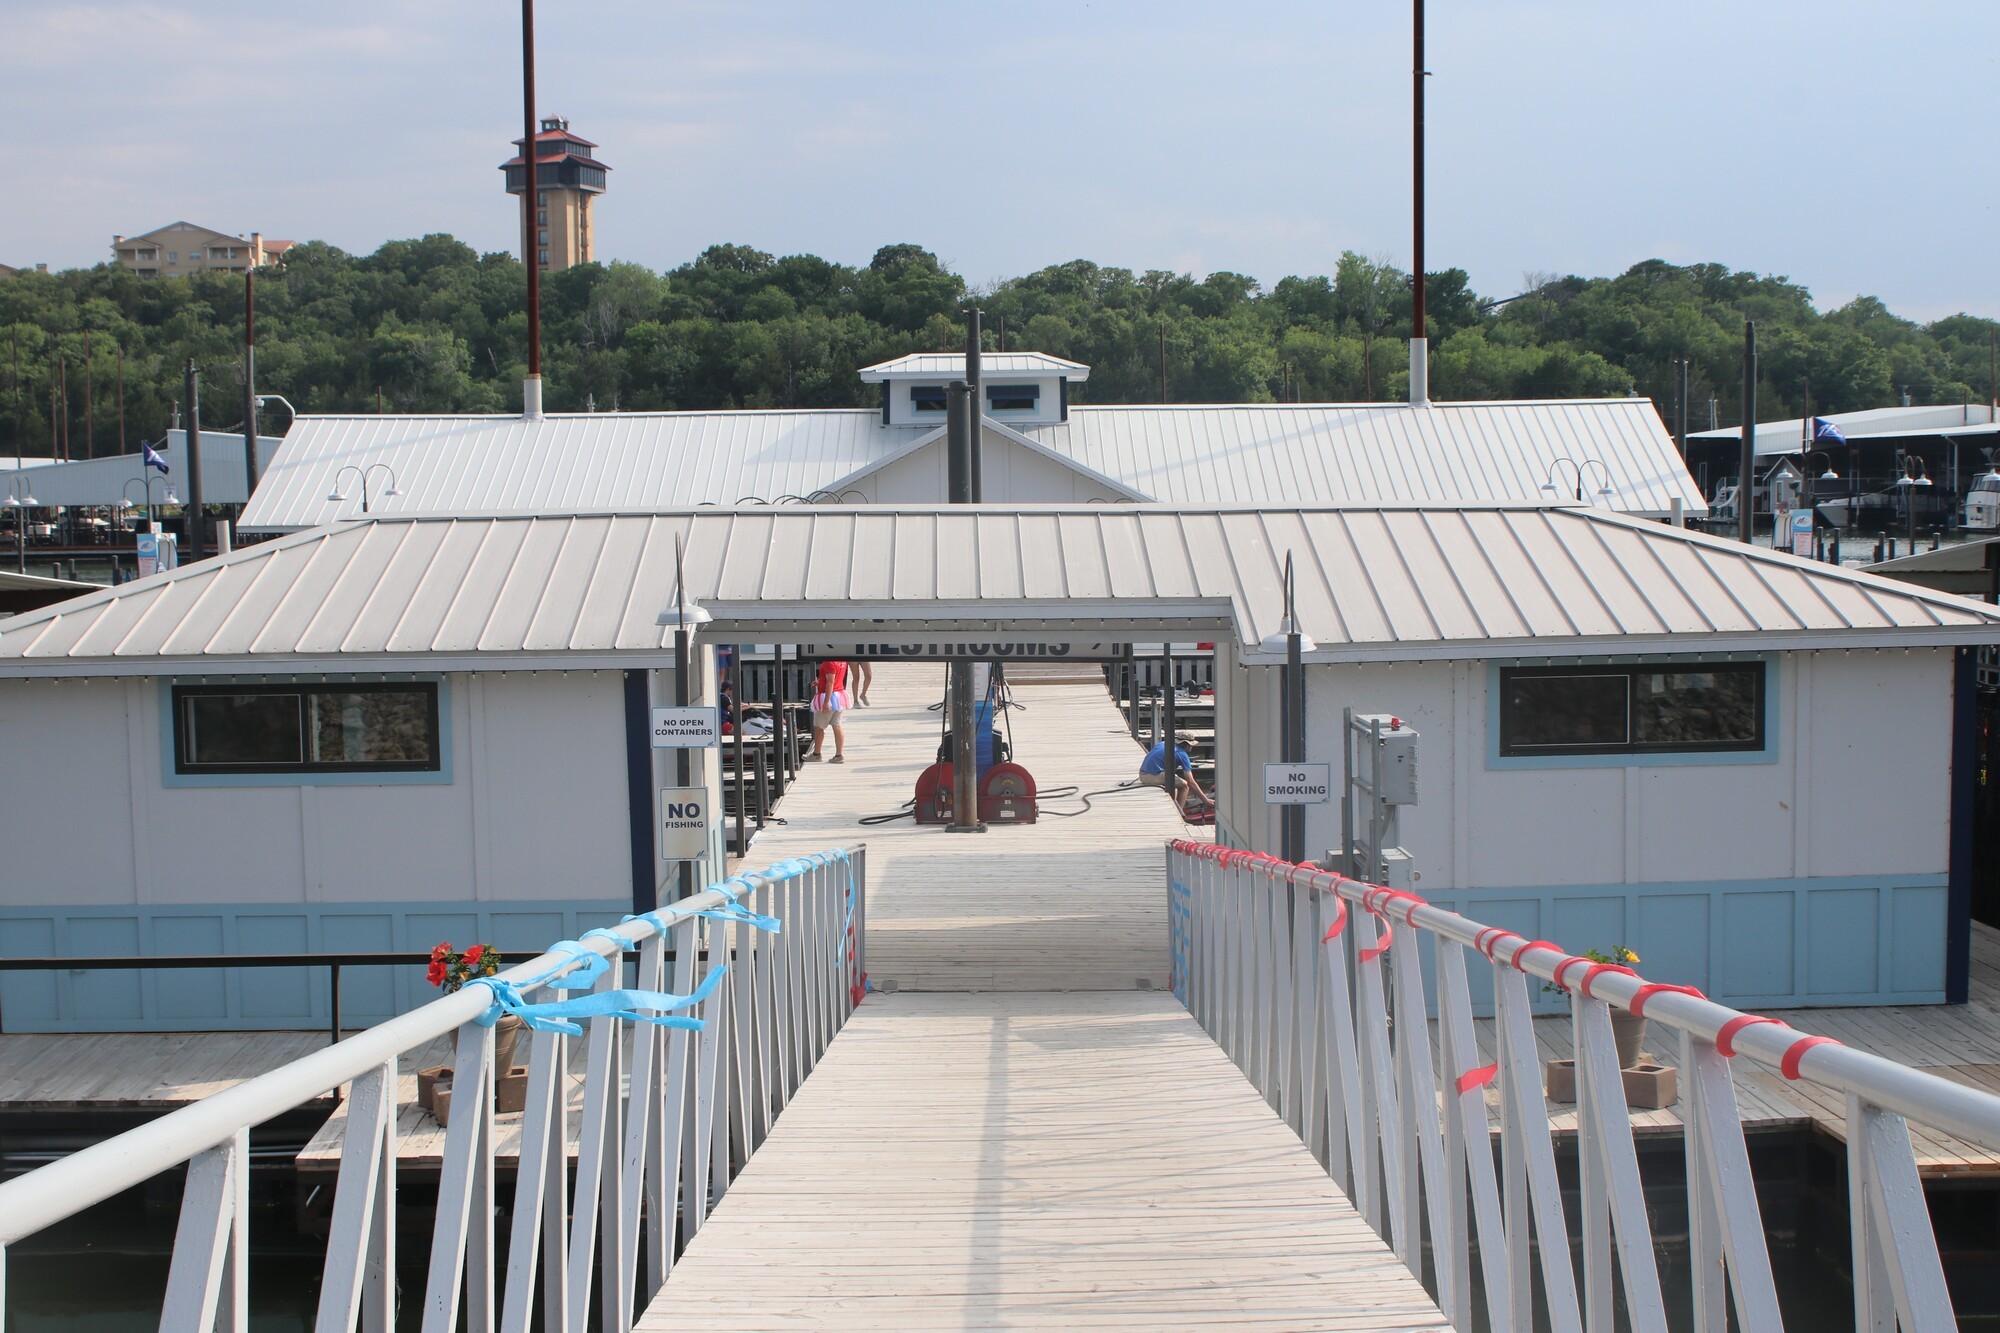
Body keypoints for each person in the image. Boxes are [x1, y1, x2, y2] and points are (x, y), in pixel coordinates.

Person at [1139, 732, 1208, 810]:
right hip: (1153, 776)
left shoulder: (1162, 743)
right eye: (1191, 745)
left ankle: (1175, 804)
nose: (1192, 747)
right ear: (1186, 744)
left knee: (1176, 782)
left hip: (1142, 774)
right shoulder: (1182, 754)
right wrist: (1206, 800)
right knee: (1185, 785)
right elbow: (1191, 782)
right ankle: (1180, 812)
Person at [808, 658, 850, 763]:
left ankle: (816, 754)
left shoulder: (829, 662)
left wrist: (826, 702)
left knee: (818, 727)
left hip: (829, 697)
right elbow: (834, 678)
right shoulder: (842, 661)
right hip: (839, 696)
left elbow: (831, 681)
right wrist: (820, 682)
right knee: (837, 725)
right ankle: (839, 755)